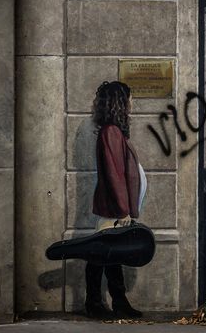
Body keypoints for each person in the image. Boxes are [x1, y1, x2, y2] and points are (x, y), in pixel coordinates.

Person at [85, 81, 146, 319]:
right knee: (99, 256)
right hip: (113, 208)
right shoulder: (111, 132)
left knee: (109, 255)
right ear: (120, 102)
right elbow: (114, 174)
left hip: (114, 207)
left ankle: (116, 302)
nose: (133, 103)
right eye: (130, 98)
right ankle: (96, 303)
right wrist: (123, 210)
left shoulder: (113, 131)